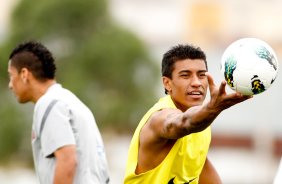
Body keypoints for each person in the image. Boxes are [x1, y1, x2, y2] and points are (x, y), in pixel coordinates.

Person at [124, 44, 252, 184]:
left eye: (201, 75)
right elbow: (183, 123)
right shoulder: (159, 118)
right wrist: (213, 108)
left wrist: (210, 110)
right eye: (185, 75)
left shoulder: (202, 124)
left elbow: (201, 168)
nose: (196, 83)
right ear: (167, 83)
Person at [7, 41, 110, 184]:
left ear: (24, 74)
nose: (10, 85)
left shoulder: (48, 103)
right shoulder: (72, 101)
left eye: (11, 76)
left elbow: (67, 160)